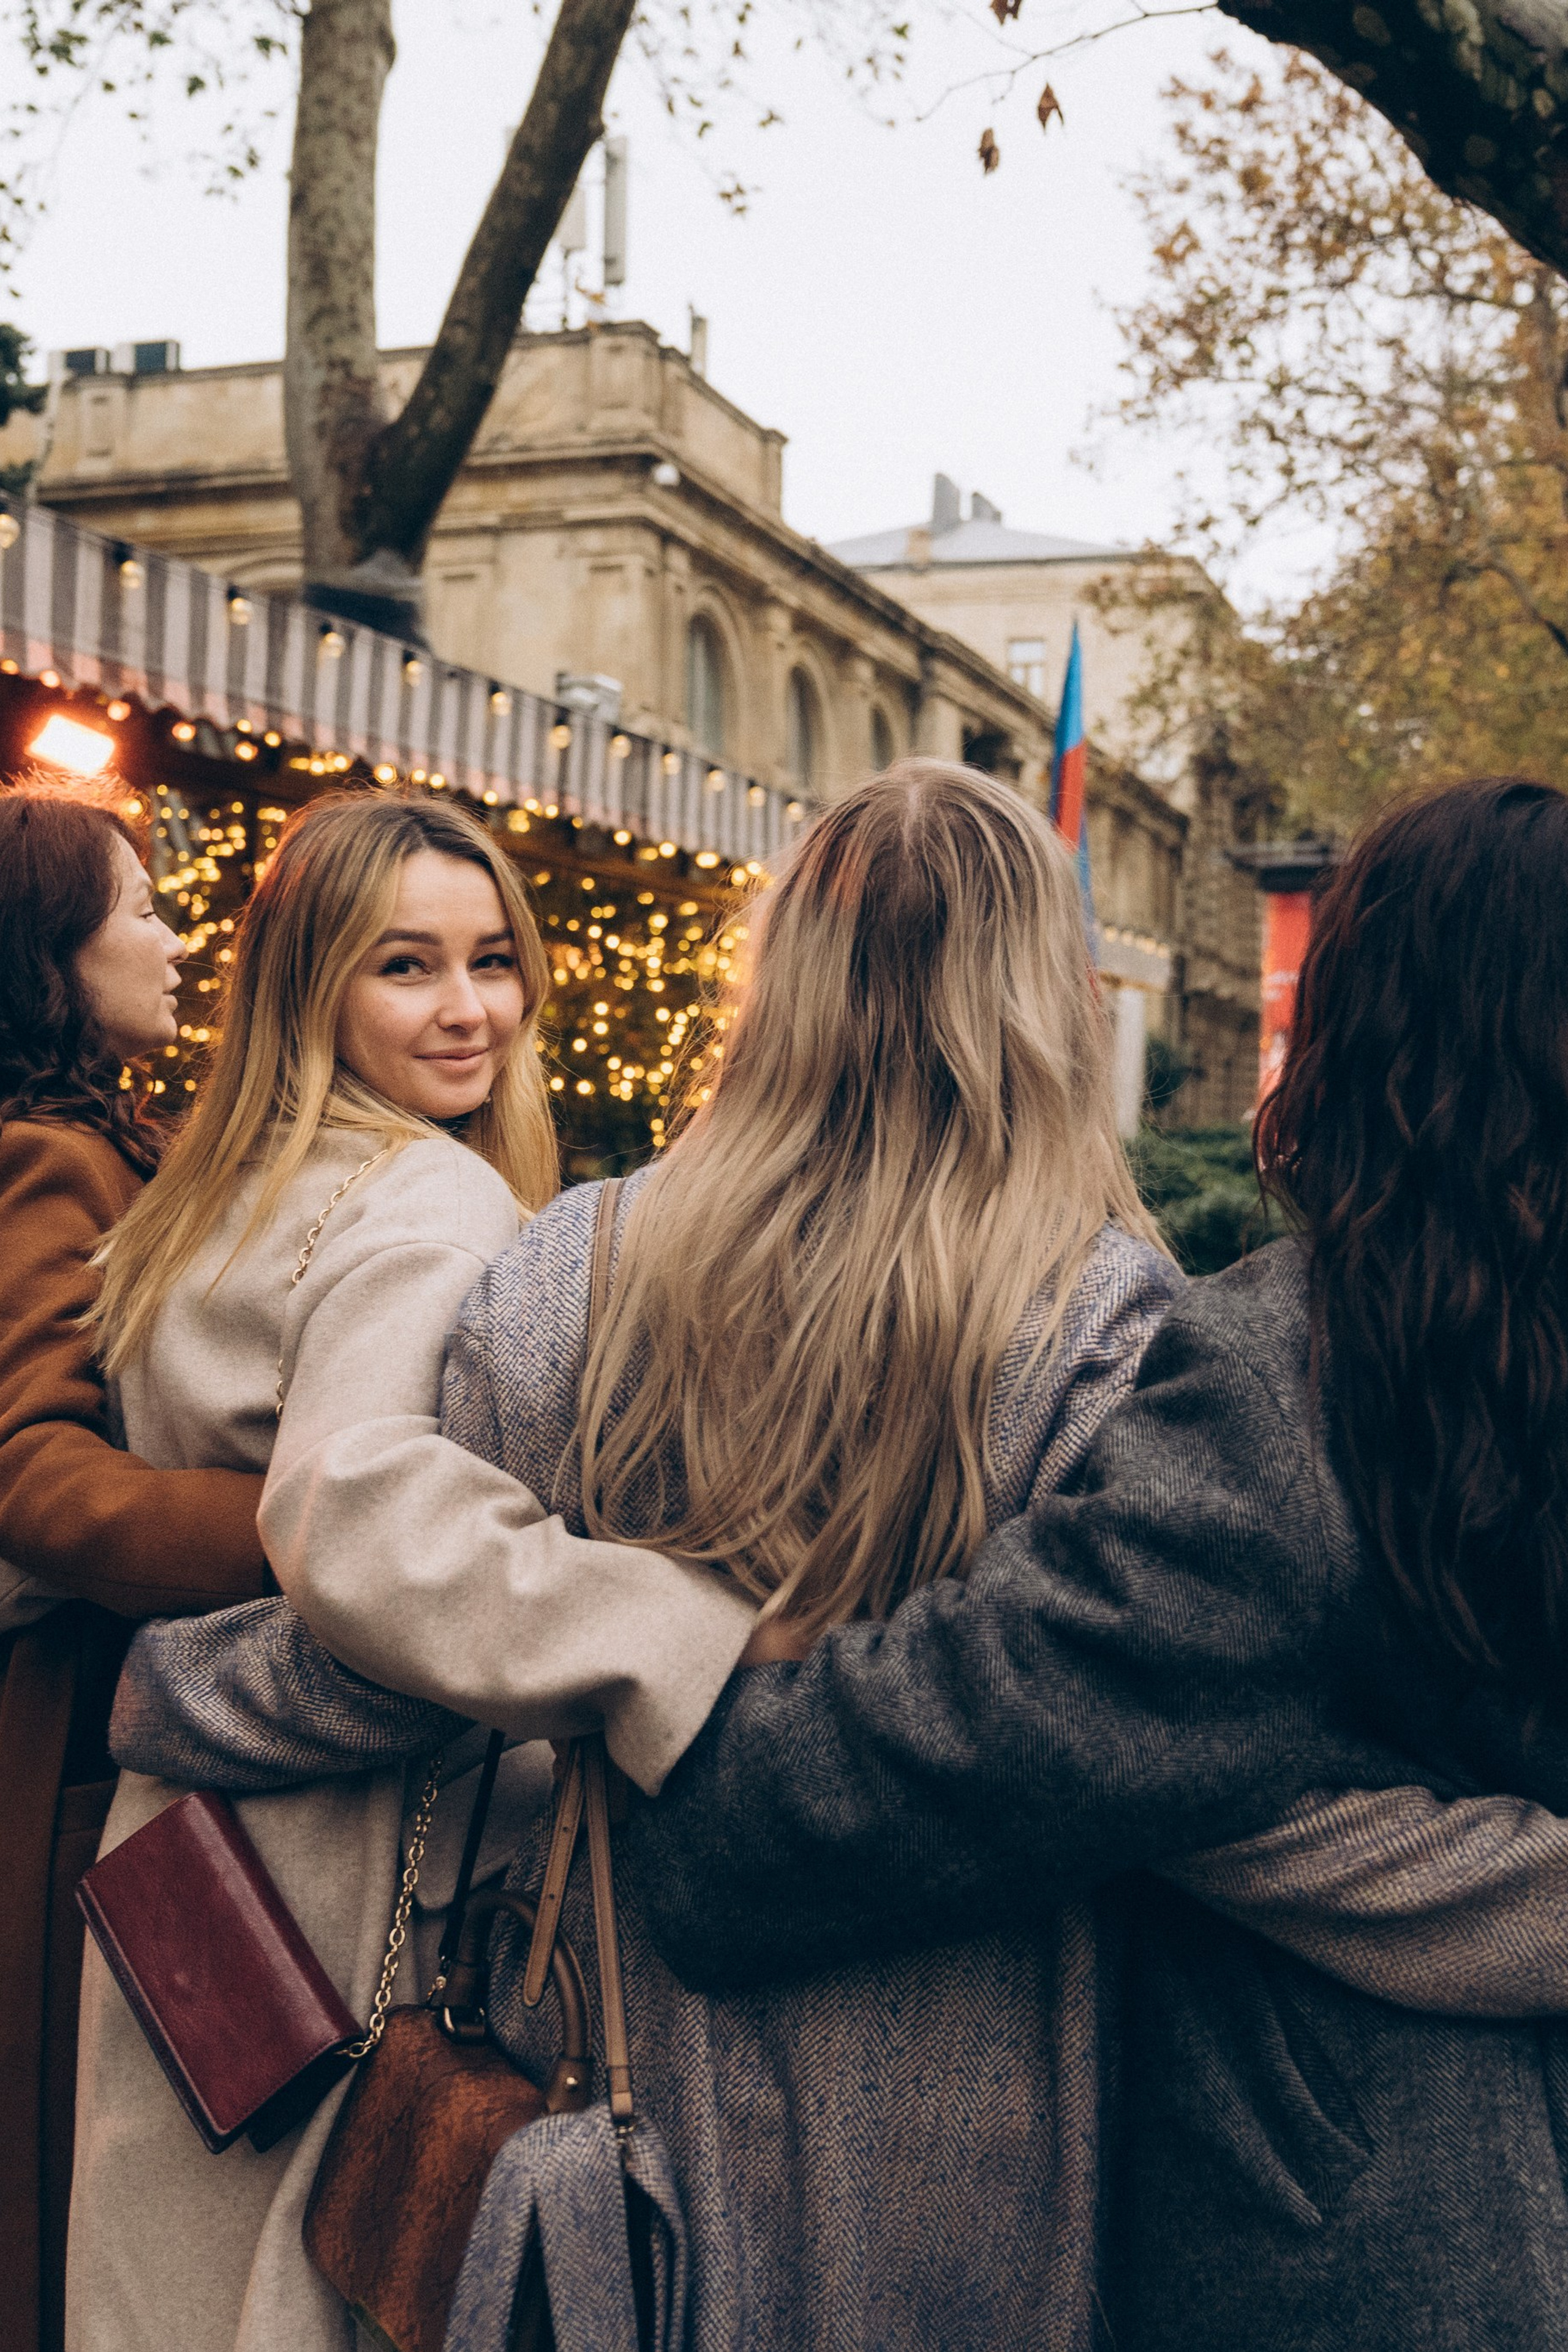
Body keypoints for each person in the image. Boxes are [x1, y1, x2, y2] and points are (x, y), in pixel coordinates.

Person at [111, 766, 1568, 2350]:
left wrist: (175, 1690)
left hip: (616, 2049)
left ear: (778, 977)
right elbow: (1153, 1770)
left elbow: (425, 1652)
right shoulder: (1107, 1322)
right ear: (1044, 1001)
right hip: (988, 2104)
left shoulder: (576, 1264)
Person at [604, 775, 1568, 2348]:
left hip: (1402, 2211)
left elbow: (1001, 1726)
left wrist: (689, 1732)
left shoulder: (1309, 1376)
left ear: (1375, 1026)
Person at [67, 791, 755, 2352]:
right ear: (312, 983)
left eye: (492, 960)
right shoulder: (430, 1198)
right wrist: (682, 1633)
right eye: (405, 966)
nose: (468, 1010)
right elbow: (361, 1518)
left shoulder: (214, 1187)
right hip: (346, 1859)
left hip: (184, 1859)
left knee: (163, 2281)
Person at [0, 782, 269, 2352]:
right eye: (145, 910)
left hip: (104, 1723)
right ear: (52, 952)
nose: (177, 943)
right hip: (69, 1743)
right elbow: (38, 1479)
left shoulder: (105, 1138)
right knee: (75, 2155)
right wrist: (298, 1530)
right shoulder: (52, 1155)